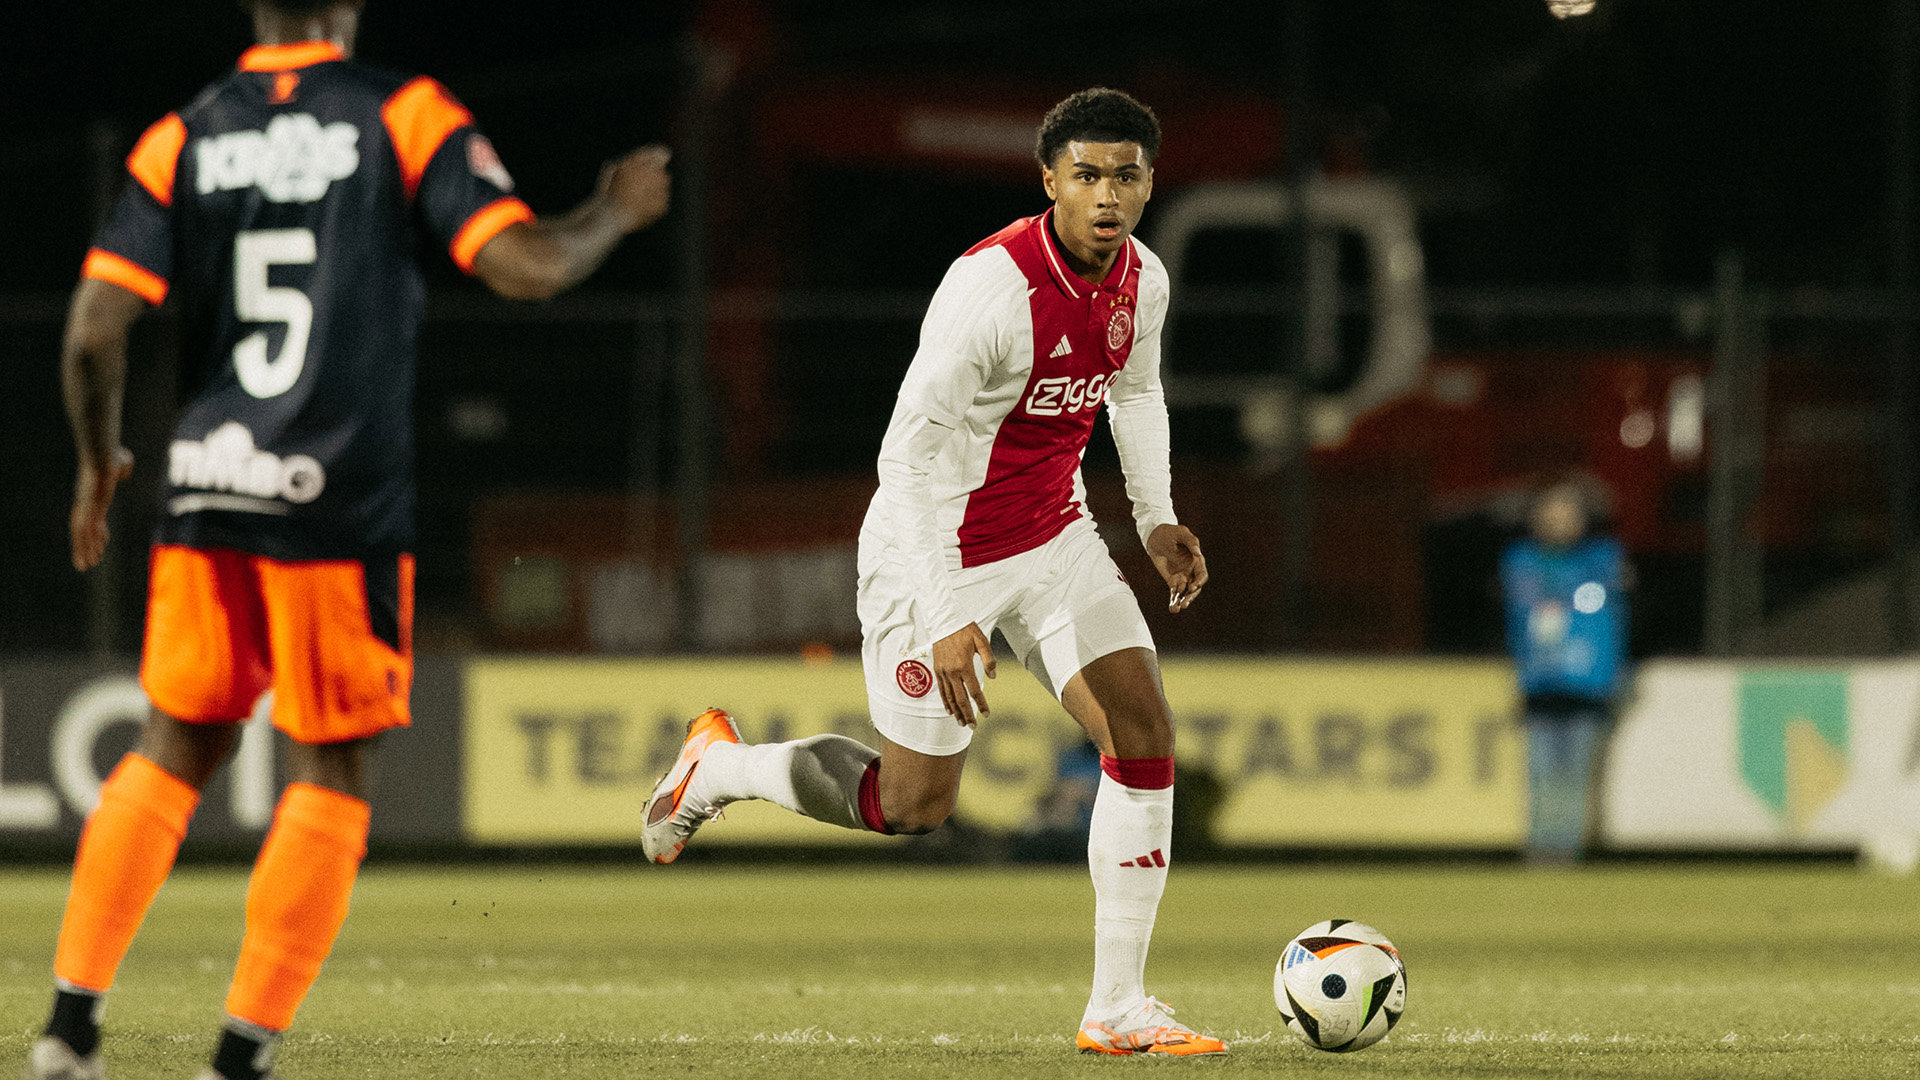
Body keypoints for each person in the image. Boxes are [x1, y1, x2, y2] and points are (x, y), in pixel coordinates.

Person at [29, 2, 670, 1078]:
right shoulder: (401, 114)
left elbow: (95, 330)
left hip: (208, 483)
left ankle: (68, 1030)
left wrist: (100, 463)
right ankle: (237, 1060)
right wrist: (612, 210)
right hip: (334, 501)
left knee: (175, 742)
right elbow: (528, 267)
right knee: (330, 767)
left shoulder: (183, 134)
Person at [641, 87, 1224, 1058]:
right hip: (935, 552)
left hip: (1056, 539)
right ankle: (721, 767)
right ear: (1049, 181)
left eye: (1126, 176)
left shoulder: (1144, 279)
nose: (1107, 194)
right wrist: (949, 612)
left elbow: (1134, 390)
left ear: (1150, 183)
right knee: (912, 805)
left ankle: (1118, 1008)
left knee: (1143, 730)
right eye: (1086, 175)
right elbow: (904, 461)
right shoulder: (990, 291)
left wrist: (1154, 517)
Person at [1498, 476, 1631, 865]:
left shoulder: (1602, 557)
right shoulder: (1522, 559)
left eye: (1566, 511)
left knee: (1575, 777)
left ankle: (1565, 851)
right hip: (1540, 686)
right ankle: (1540, 848)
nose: (1557, 519)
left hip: (1587, 687)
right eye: (1550, 510)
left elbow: (1608, 609)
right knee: (1540, 774)